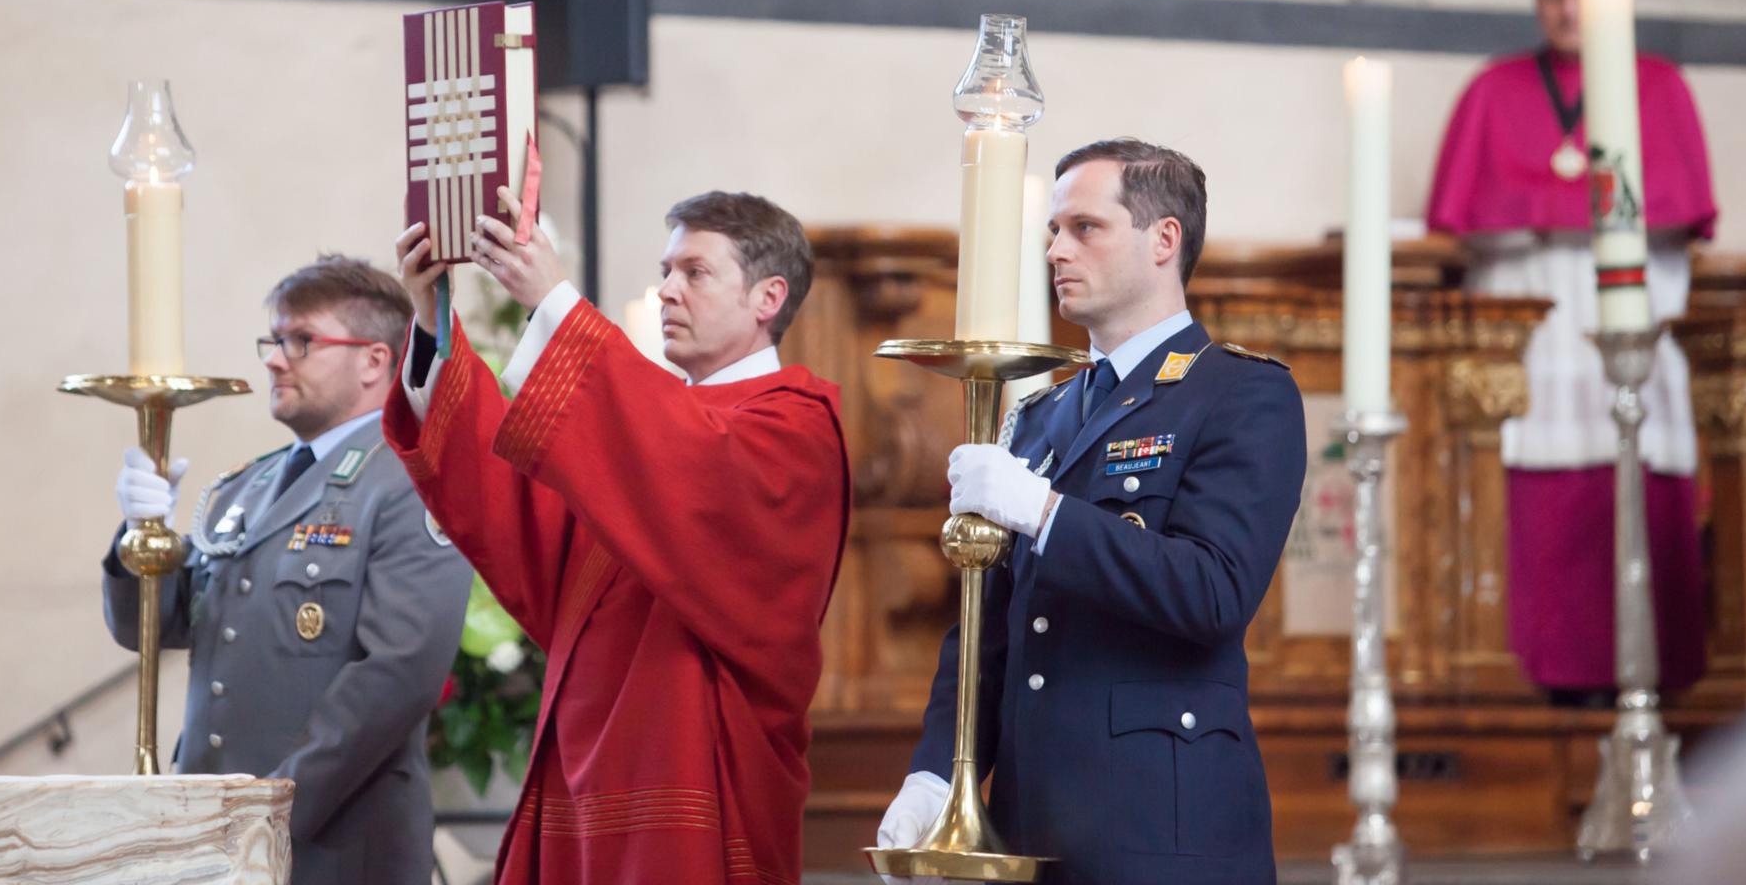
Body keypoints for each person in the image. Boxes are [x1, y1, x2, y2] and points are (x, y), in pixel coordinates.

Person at [386, 188, 850, 885]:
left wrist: (553, 303)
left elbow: (695, 464)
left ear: (768, 297)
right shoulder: (641, 435)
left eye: (695, 272)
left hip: (692, 775)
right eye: (665, 271)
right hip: (582, 768)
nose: (666, 291)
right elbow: (523, 515)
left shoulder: (794, 425)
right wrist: (434, 321)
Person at [877, 139, 1305, 885]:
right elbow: (990, 625)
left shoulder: (1237, 394)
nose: (1055, 250)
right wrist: (937, 773)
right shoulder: (1041, 413)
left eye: (1085, 228)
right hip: (1032, 825)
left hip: (1162, 829)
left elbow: (1213, 591)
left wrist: (1043, 512)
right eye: (1051, 230)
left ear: (1163, 239)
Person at [103, 254, 470, 885]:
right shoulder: (249, 486)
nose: (275, 357)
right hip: (214, 834)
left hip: (334, 844)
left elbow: (396, 675)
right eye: (274, 339)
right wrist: (143, 534)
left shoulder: (411, 481)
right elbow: (156, 624)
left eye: (302, 340)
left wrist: (274, 809)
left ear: (374, 360)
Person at [1425, 0, 1718, 699]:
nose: (1565, 11)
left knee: (1636, 475)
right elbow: (1459, 219)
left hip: (1629, 317)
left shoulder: (1659, 86)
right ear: (1538, 3)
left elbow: (1684, 209)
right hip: (1534, 328)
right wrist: (1558, 208)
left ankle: (1649, 684)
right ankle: (1535, 680)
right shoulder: (1495, 88)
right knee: (1531, 490)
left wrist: (1544, 204)